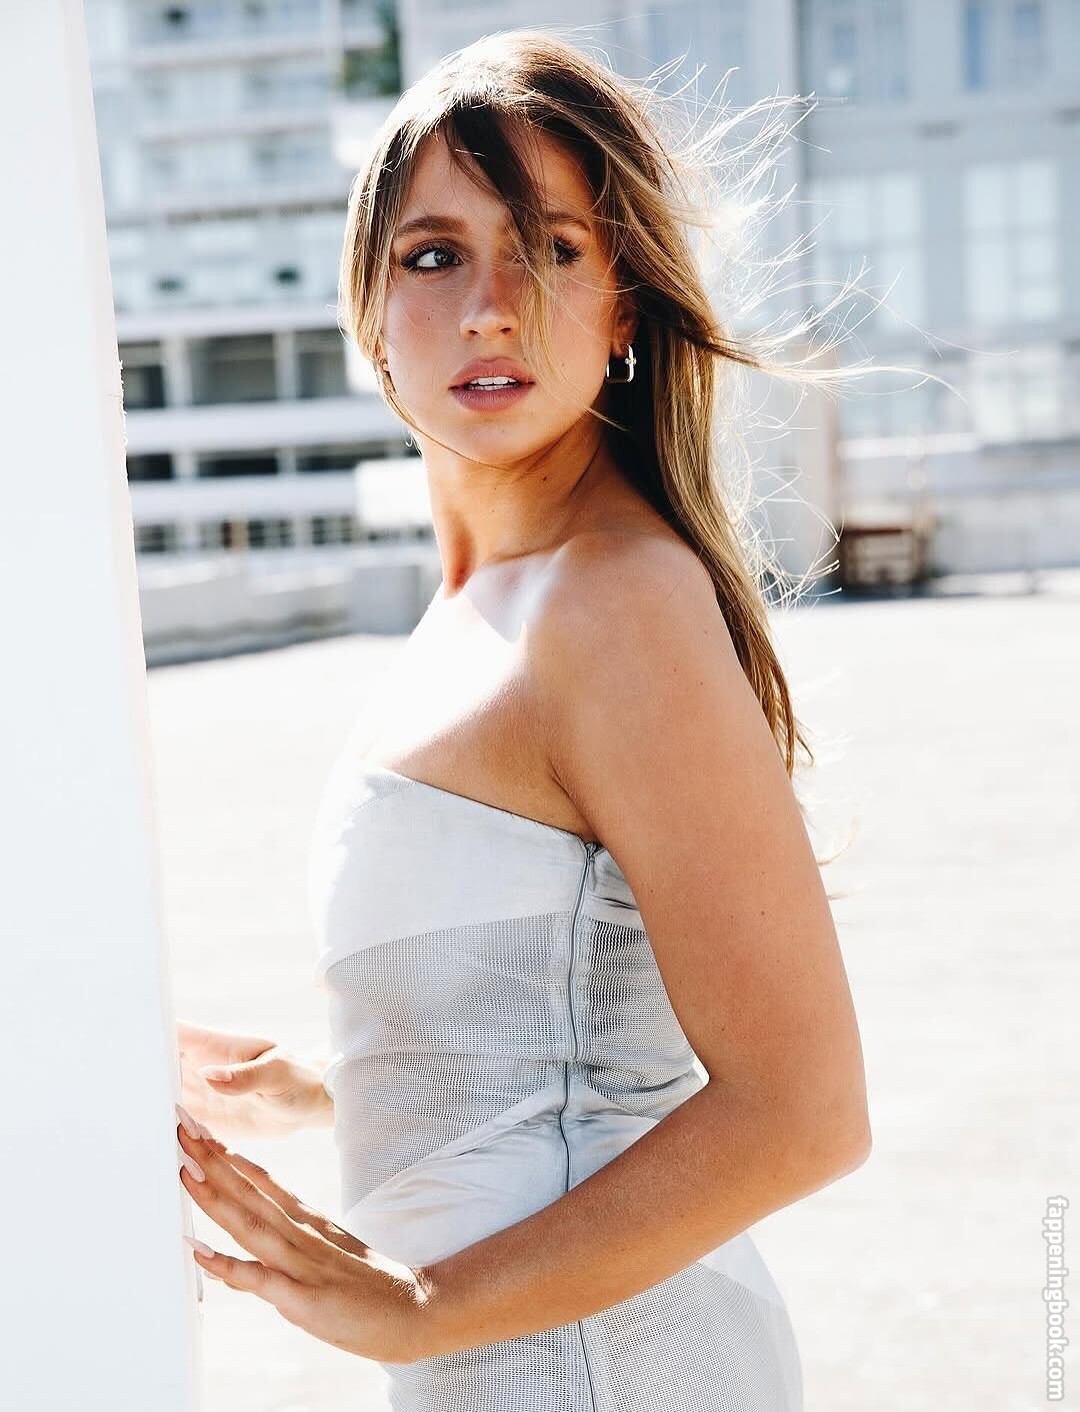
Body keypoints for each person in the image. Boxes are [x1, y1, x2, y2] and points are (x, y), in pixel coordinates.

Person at [176, 28, 871, 1411]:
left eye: (551, 249)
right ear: (370, 307)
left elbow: (805, 1113)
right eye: (435, 254)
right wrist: (340, 1079)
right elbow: (563, 1025)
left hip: (609, 1367)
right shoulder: (476, 610)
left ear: (623, 309)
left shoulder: (613, 602)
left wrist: (421, 1307)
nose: (492, 307)